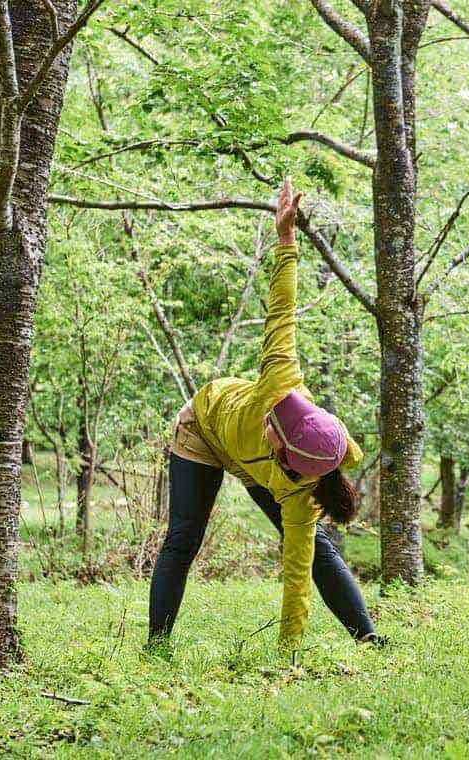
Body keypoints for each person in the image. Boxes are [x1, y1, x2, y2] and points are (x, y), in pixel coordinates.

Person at [148, 177, 380, 651]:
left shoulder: (298, 495)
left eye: (281, 427)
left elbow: (295, 575)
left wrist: (288, 654)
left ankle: (369, 639)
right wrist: (287, 240)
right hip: (205, 427)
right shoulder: (281, 384)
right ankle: (156, 645)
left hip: (259, 464)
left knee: (316, 552)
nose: (277, 415)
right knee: (184, 537)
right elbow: (283, 310)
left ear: (291, 459)